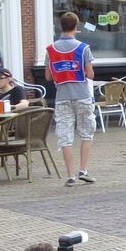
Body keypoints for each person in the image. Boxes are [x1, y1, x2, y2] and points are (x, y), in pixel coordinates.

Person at [45, 12, 96, 187]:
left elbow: (48, 76)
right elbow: (90, 74)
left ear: (61, 26)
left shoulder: (50, 50)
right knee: (86, 132)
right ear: (76, 27)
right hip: (82, 95)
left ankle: (70, 175)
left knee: (65, 136)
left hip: (62, 98)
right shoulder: (83, 48)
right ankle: (83, 170)